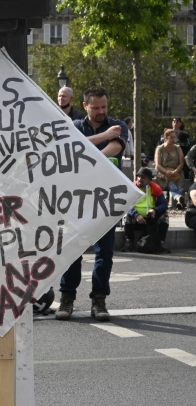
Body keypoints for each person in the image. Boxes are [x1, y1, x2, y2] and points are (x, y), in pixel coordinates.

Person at [56, 86, 128, 322]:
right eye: (96, 107)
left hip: (106, 199)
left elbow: (116, 147)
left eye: (104, 106)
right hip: (76, 199)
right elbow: (70, 145)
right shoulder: (75, 125)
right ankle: (67, 297)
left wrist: (93, 152)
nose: (101, 111)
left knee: (104, 252)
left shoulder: (118, 125)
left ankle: (99, 299)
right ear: (85, 106)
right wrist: (102, 137)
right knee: (73, 250)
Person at [121, 167, 170, 254]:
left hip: (150, 217)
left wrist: (155, 210)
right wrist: (136, 215)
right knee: (126, 215)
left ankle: (161, 243)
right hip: (135, 219)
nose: (140, 179)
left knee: (164, 216)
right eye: (139, 177)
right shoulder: (132, 187)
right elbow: (126, 205)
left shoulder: (155, 188)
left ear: (149, 180)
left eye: (143, 177)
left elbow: (164, 204)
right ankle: (129, 242)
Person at [154, 128, 185, 210]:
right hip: (163, 173)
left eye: (174, 137)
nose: (173, 139)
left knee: (177, 185)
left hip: (177, 172)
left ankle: (179, 200)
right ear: (165, 138)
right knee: (171, 184)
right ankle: (179, 199)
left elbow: (181, 163)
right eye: (171, 137)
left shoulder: (177, 148)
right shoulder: (159, 149)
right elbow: (158, 165)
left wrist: (175, 171)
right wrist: (166, 172)